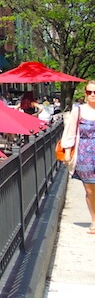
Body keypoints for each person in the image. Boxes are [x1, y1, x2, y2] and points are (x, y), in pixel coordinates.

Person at [62, 80, 95, 234]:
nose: (92, 95)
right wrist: (67, 152)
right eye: (89, 92)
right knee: (90, 190)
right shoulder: (79, 110)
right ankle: (94, 219)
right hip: (85, 154)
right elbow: (70, 132)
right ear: (85, 93)